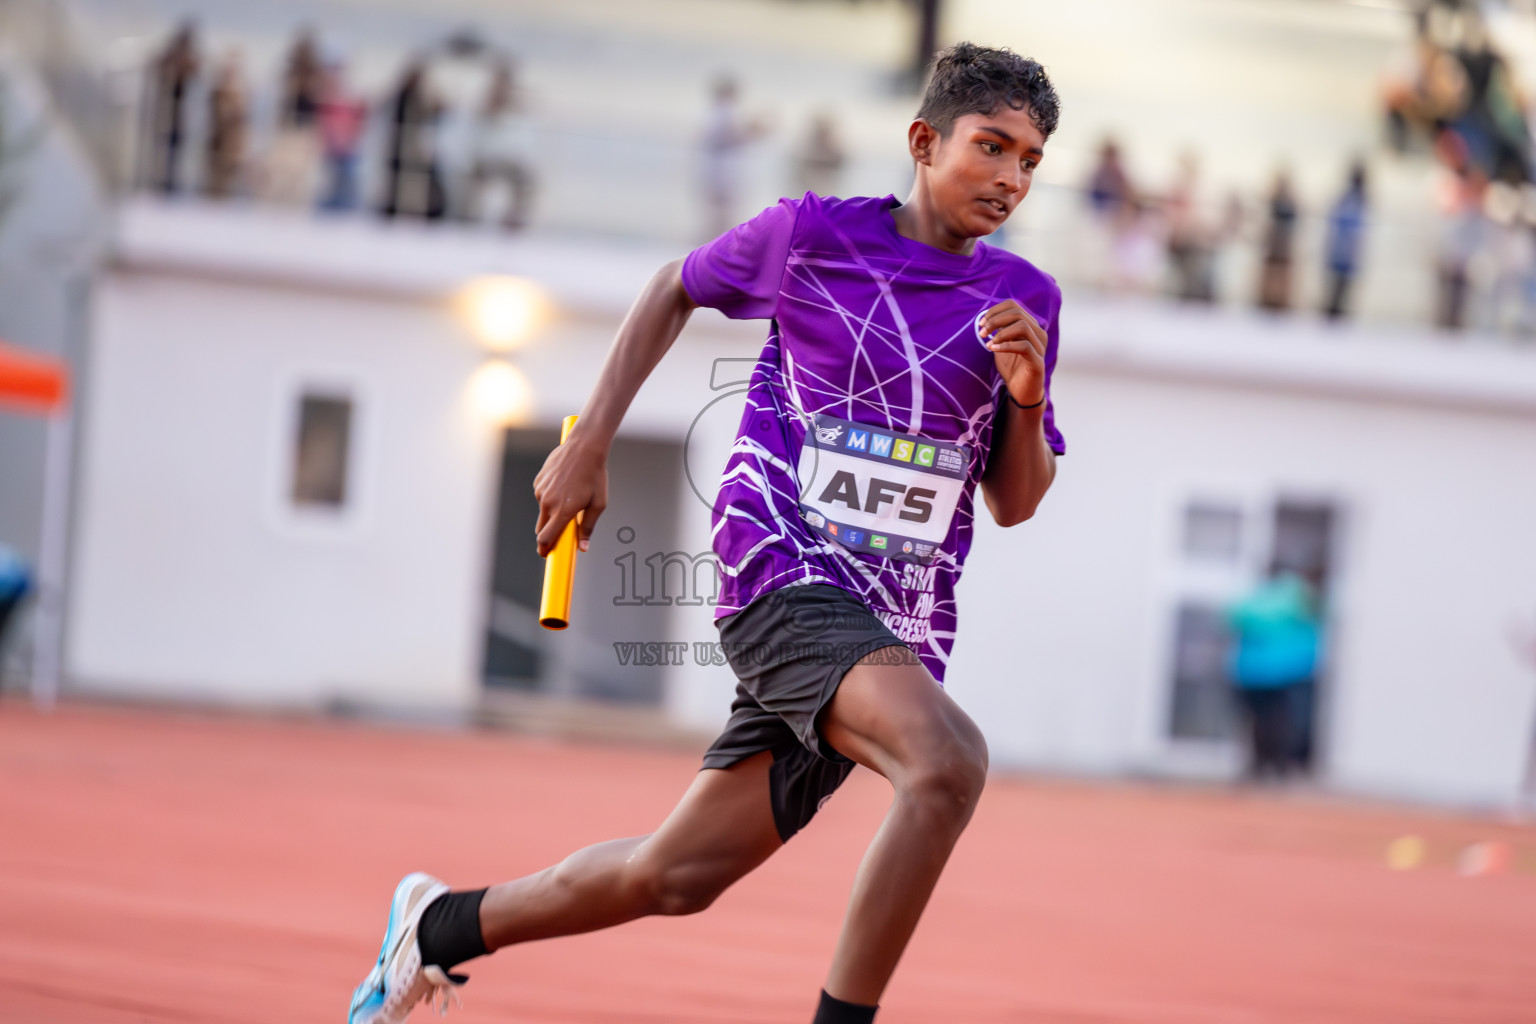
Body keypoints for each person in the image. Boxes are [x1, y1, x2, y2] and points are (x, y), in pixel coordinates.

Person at [347, 42, 1067, 1024]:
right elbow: (673, 286)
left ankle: (437, 927)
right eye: (992, 147)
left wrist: (1025, 401)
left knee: (674, 874)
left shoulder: (1025, 304)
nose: (1011, 178)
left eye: (1030, 160)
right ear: (923, 140)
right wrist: (593, 438)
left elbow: (1015, 502)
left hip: (889, 633)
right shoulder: (813, 235)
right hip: (780, 576)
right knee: (947, 765)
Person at [1226, 569, 1321, 780]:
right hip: (1276, 673)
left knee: (1269, 722)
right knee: (1276, 721)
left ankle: (1269, 765)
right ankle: (1271, 765)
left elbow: (1232, 618)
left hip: (1264, 672)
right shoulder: (1297, 598)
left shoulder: (1256, 601)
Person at [464, 60, 536, 229]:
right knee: (475, 180)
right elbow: (482, 116)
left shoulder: (515, 100)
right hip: (487, 159)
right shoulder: (489, 100)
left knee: (527, 180)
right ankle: (470, 218)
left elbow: (527, 113)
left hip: (509, 159)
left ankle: (513, 219)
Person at [701, 75, 768, 238]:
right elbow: (734, 136)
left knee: (720, 211)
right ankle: (718, 242)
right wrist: (758, 130)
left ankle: (715, 240)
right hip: (724, 169)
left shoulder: (714, 112)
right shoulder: (726, 111)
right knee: (724, 212)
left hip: (718, 167)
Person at [380, 59, 447, 220]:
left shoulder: (414, 97)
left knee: (417, 180)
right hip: (402, 147)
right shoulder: (404, 96)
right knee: (404, 180)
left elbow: (435, 112)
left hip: (411, 147)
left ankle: (416, 211)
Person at [144, 21, 198, 194]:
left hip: (178, 114)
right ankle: (158, 181)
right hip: (165, 113)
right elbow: (157, 67)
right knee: (161, 149)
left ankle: (170, 183)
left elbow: (193, 73)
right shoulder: (169, 56)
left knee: (175, 152)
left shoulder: (188, 59)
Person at [316, 58, 368, 213]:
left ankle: (347, 205)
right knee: (330, 177)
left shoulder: (350, 97)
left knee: (346, 176)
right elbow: (323, 121)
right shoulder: (328, 97)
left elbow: (359, 120)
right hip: (331, 143)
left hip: (348, 144)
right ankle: (331, 204)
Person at [1323, 163, 1368, 320]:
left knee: (1341, 292)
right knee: (1336, 292)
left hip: (1347, 252)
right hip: (1342, 251)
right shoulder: (1350, 198)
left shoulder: (1360, 199)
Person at [203, 52, 247, 199]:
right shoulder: (218, 93)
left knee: (230, 172)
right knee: (216, 171)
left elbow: (239, 117)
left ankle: (224, 198)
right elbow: (221, 114)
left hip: (232, 141)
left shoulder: (241, 94)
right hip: (218, 138)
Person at [1257, 170, 1299, 312]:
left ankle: (1278, 304)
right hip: (1272, 248)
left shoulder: (1289, 203)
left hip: (1282, 249)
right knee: (1270, 280)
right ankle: (1266, 302)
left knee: (1280, 280)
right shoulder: (1272, 201)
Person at [794, 112, 846, 198]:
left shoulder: (832, 145)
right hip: (810, 182)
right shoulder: (809, 146)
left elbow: (839, 163)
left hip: (825, 183)